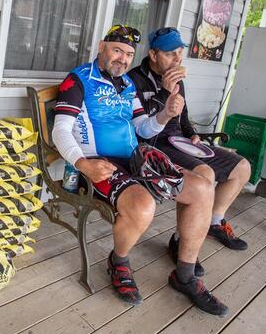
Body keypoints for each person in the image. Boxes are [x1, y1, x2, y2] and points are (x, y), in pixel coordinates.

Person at [52, 25, 228, 316]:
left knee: (202, 188)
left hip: (136, 157)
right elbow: (61, 130)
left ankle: (184, 276)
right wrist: (82, 163)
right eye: (117, 50)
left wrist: (166, 114)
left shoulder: (127, 85)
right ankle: (118, 260)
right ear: (101, 46)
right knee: (143, 207)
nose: (122, 59)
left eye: (129, 54)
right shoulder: (79, 80)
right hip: (99, 162)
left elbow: (142, 128)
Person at [128, 27, 252, 273]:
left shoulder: (177, 79)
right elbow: (142, 129)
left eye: (180, 52)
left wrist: (192, 133)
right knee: (205, 174)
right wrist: (164, 91)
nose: (178, 59)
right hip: (154, 145)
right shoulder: (134, 80)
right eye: (170, 54)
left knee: (242, 167)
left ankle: (215, 222)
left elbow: (183, 114)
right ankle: (180, 241)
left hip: (180, 141)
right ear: (153, 54)